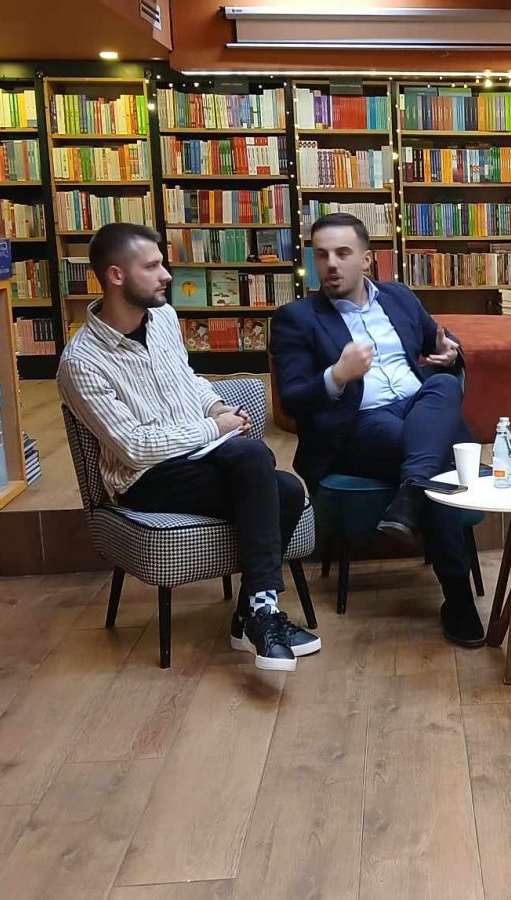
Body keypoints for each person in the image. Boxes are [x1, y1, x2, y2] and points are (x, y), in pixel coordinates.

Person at [58, 222, 318, 672]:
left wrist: (215, 404)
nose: (166, 275)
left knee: (288, 490)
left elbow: (187, 379)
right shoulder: (81, 363)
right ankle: (261, 613)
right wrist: (213, 428)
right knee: (254, 457)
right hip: (146, 479)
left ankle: (252, 613)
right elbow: (135, 448)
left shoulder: (162, 317)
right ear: (116, 275)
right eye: (153, 266)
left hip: (197, 458)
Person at [270, 213, 481, 647]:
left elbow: (439, 341)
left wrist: (449, 353)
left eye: (343, 253)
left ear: (366, 260)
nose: (331, 264)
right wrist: (337, 375)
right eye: (321, 255)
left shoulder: (398, 297)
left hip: (416, 411)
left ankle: (412, 487)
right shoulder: (296, 318)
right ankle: (459, 598)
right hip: (356, 425)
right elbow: (292, 400)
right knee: (441, 464)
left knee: (442, 385)